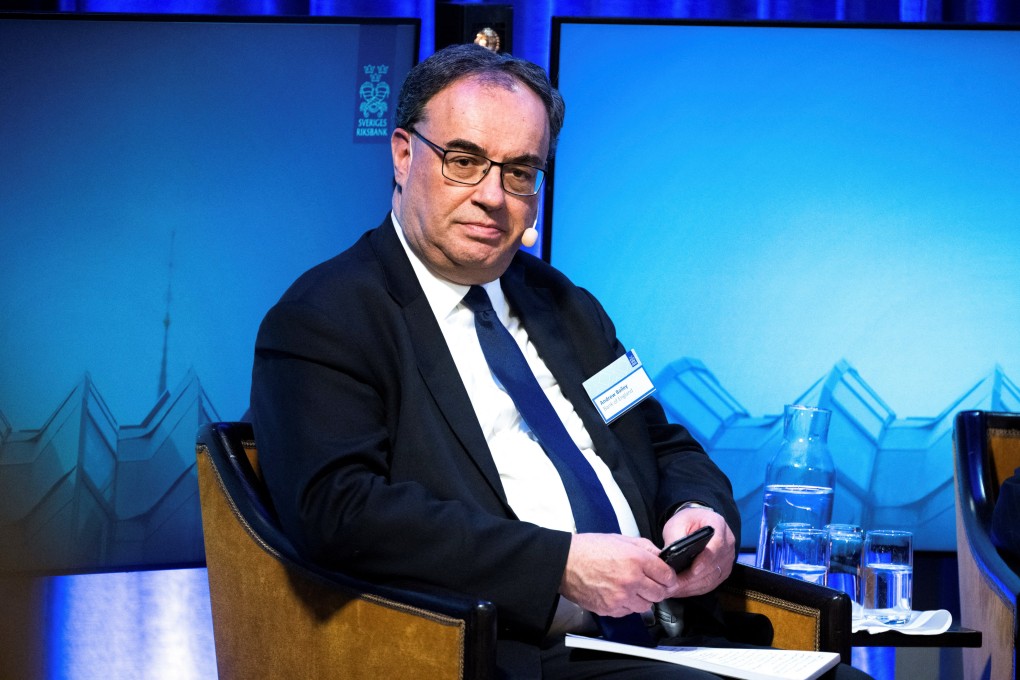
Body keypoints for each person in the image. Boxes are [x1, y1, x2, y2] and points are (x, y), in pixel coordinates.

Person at [250, 43, 870, 679]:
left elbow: (660, 444)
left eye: (520, 171)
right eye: (464, 161)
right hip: (506, 654)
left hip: (666, 631)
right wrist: (561, 565)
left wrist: (702, 514)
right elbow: (339, 512)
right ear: (404, 155)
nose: (494, 196)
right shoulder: (327, 316)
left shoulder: (566, 307)